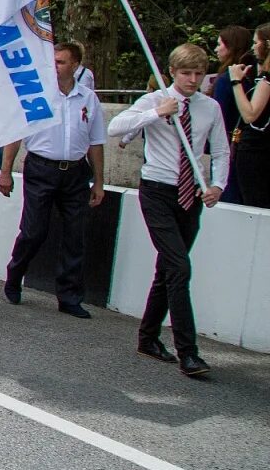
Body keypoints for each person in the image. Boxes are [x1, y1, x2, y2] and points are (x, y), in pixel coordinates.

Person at [109, 43, 230, 378]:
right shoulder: (155, 100)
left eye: (198, 73)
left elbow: (220, 150)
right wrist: (157, 113)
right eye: (186, 73)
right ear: (173, 72)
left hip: (191, 194)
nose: (193, 79)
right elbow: (115, 128)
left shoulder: (211, 108)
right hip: (158, 191)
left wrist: (217, 185)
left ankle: (148, 338)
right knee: (179, 267)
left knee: (169, 270)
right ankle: (188, 352)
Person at [0, 41, 107, 315]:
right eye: (53, 61)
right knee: (34, 231)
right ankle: (15, 273)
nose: (55, 67)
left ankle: (69, 296)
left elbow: (96, 142)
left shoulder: (88, 99)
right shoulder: (38, 94)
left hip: (75, 171)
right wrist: (5, 171)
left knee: (74, 234)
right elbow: (16, 133)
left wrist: (100, 181)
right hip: (41, 168)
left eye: (61, 62)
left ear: (75, 65)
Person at [210, 23, 270, 207]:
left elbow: (249, 114)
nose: (252, 47)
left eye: (256, 42)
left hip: (255, 149)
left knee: (251, 202)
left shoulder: (265, 81)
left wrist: (236, 81)